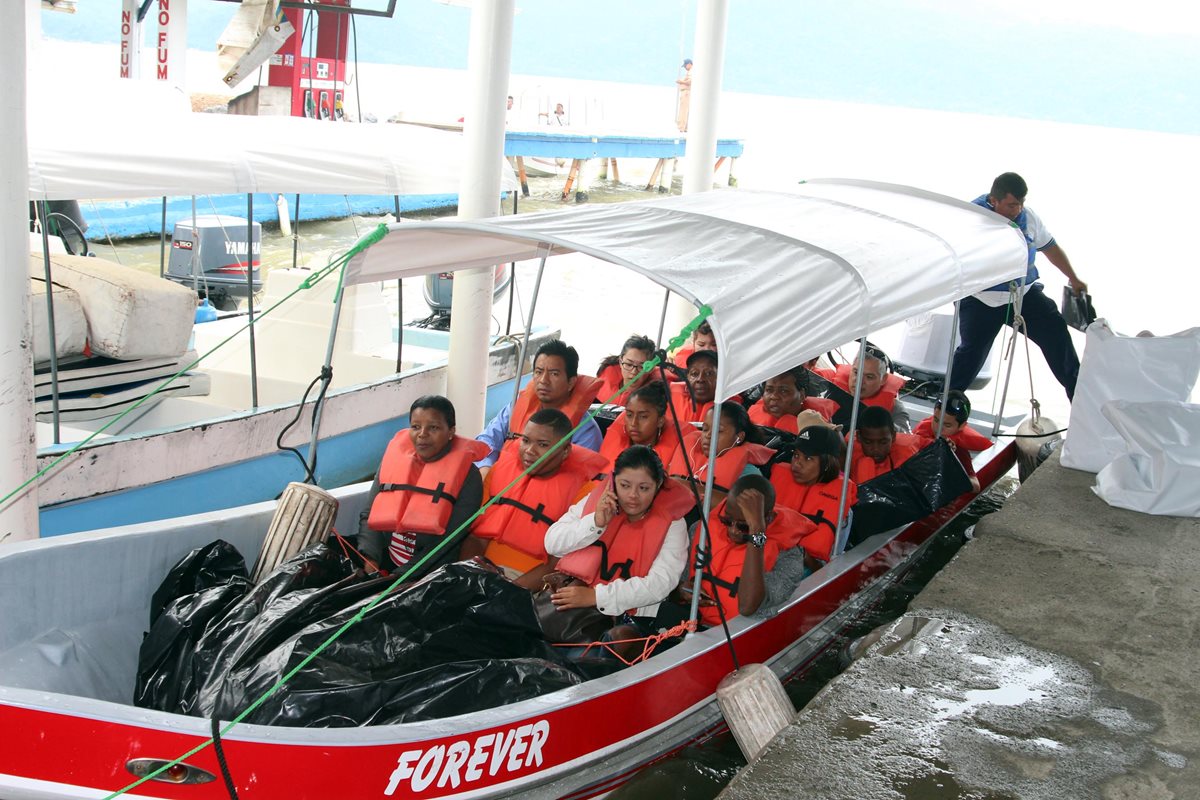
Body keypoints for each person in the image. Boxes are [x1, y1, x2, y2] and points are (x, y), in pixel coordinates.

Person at [951, 172, 1086, 400]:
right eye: (1012, 205)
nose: (1019, 209)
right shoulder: (970, 219)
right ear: (994, 201)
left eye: (1022, 203)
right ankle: (944, 409)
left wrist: (1073, 277)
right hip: (981, 299)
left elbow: (1050, 248)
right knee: (970, 356)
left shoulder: (1029, 217)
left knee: (1057, 335)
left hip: (1023, 295)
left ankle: (1083, 402)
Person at [461, 409, 608, 589]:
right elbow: (476, 536)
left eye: (543, 444)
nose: (529, 451)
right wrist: (470, 576)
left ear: (565, 451)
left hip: (528, 585)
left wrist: (508, 592)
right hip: (480, 570)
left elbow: (557, 564)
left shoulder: (584, 494)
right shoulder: (499, 471)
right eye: (525, 440)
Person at [546, 446, 694, 621]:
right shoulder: (598, 502)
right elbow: (552, 544)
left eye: (644, 488)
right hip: (572, 605)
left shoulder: (673, 523)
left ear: (658, 485)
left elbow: (660, 583)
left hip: (630, 619)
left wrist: (595, 597)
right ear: (614, 481)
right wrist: (595, 523)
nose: (633, 495)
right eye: (624, 485)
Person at [358, 396, 488, 579]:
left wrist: (398, 578)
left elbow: (449, 540)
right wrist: (370, 560)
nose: (422, 434)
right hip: (381, 560)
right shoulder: (392, 463)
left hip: (430, 573)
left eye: (433, 427)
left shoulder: (469, 477)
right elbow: (369, 514)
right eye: (416, 427)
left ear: (451, 431)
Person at [679, 475, 815, 627]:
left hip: (740, 638)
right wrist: (681, 590)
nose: (733, 531)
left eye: (744, 526)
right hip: (689, 626)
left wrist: (756, 532)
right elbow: (679, 584)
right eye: (727, 521)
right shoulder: (699, 529)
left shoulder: (788, 557)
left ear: (767, 519)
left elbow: (748, 606)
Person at [475, 339, 603, 471]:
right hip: (498, 484)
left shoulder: (586, 432)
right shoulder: (516, 407)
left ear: (571, 382)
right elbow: (487, 438)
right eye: (539, 372)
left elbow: (579, 476)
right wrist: (485, 466)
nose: (543, 380)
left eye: (554, 374)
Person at [769, 425, 857, 566]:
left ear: (827, 464)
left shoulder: (841, 508)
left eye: (808, 458)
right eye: (796, 455)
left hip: (803, 572)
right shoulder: (774, 484)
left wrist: (802, 556)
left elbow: (829, 569)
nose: (797, 463)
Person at [669, 402, 774, 503]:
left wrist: (685, 486)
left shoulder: (748, 473)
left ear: (739, 437)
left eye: (718, 431)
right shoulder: (690, 456)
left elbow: (747, 510)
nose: (708, 435)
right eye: (705, 429)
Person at [820, 345, 911, 431]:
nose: (859, 381)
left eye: (869, 377)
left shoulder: (896, 408)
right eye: (856, 372)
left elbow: (904, 436)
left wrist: (878, 422)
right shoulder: (826, 386)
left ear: (883, 379)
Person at [599, 381, 682, 473]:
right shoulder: (614, 440)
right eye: (629, 415)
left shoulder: (677, 453)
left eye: (643, 417)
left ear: (660, 421)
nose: (634, 423)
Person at [916, 391, 982, 492]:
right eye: (936, 420)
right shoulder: (919, 437)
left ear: (962, 426)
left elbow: (976, 486)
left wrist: (947, 478)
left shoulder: (958, 450)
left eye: (947, 425)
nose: (939, 428)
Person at [748, 367, 839, 432]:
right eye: (769, 390)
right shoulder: (746, 417)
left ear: (802, 395)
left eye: (784, 391)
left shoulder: (818, 426)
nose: (774, 396)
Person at [848, 406, 922, 484]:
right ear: (859, 437)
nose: (876, 449)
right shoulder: (849, 451)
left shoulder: (908, 460)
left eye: (883, 442)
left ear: (893, 436)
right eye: (868, 442)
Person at [594, 334, 659, 406]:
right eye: (628, 364)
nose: (634, 372)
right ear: (620, 361)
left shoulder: (658, 396)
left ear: (651, 369)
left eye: (641, 367)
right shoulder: (605, 376)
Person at [668, 349, 718, 425]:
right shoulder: (667, 397)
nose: (700, 379)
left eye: (708, 373)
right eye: (694, 374)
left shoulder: (733, 412)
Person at [675, 58, 693, 133]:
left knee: (683, 110)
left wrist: (680, 81)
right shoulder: (690, 71)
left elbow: (690, 81)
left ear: (689, 64)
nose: (685, 67)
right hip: (686, 92)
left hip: (686, 92)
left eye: (685, 65)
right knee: (685, 110)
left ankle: (681, 127)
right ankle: (685, 127)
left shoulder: (692, 71)